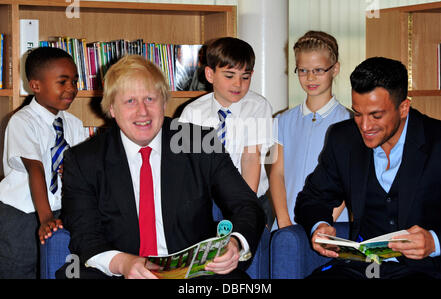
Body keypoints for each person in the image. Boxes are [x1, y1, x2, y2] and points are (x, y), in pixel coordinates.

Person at [58, 55, 265, 279]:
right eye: (130, 101)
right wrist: (123, 263)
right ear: (112, 108)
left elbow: (246, 205)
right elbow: (85, 234)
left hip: (193, 273)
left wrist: (234, 243)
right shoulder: (83, 160)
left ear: (164, 103)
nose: (143, 112)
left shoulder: (200, 143)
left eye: (150, 99)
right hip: (120, 271)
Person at [295, 56, 441, 279]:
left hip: (425, 270)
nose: (365, 126)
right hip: (363, 268)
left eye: (376, 115)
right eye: (357, 113)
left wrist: (434, 242)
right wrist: (320, 225)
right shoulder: (343, 139)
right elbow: (312, 198)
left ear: (404, 107)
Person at [0, 46, 88, 278]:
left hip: (60, 210)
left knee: (54, 269)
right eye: (62, 82)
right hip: (21, 213)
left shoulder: (74, 124)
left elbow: (81, 169)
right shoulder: (22, 121)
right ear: (36, 85)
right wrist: (45, 217)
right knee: (19, 268)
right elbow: (35, 169)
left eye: (75, 81)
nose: (71, 88)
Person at [179, 37, 274, 226]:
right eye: (229, 76)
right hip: (207, 202)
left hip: (251, 197)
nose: (238, 84)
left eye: (245, 77)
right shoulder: (193, 112)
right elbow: (188, 167)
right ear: (210, 74)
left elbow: (251, 158)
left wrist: (245, 209)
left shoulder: (258, 107)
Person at [270, 31, 349, 231]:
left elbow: (350, 181)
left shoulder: (351, 122)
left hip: (331, 226)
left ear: (335, 69)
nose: (310, 77)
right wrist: (284, 221)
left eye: (319, 70)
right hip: (286, 227)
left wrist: (321, 224)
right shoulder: (282, 120)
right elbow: (277, 173)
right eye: (303, 70)